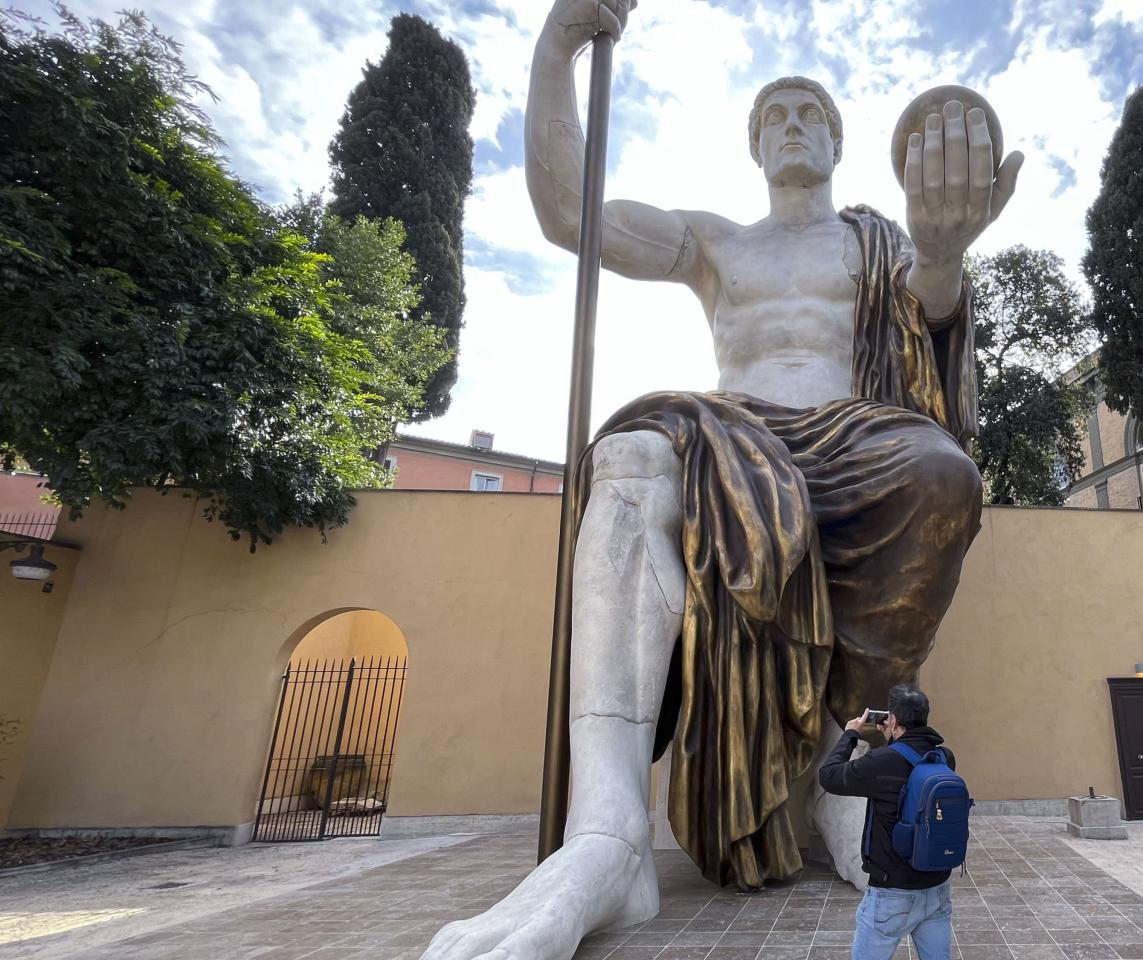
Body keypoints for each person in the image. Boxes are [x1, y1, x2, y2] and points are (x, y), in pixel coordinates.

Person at [421, 0, 1021, 955]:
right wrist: (558, 42)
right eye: (774, 116)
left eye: (809, 114)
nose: (792, 125)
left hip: (855, 437)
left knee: (941, 474)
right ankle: (606, 837)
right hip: (731, 436)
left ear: (835, 138)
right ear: (754, 145)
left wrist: (943, 254)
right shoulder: (716, 242)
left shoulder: (880, 243)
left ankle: (847, 766)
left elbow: (932, 344)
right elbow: (566, 212)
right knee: (629, 455)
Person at [819, 684, 957, 960]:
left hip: (892, 893)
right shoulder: (944, 757)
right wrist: (892, 742)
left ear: (893, 720)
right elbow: (907, 768)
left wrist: (850, 735)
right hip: (936, 887)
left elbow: (829, 775)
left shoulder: (881, 762)